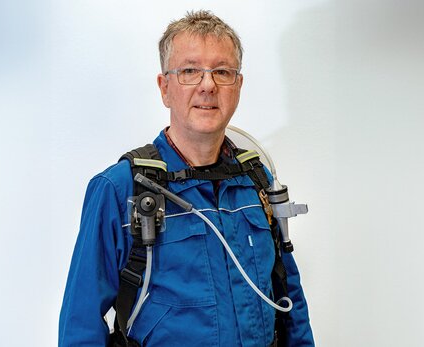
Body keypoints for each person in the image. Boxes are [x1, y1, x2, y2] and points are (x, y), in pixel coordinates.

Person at [59, 10, 314, 347]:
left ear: (238, 86)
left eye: (222, 71)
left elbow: (288, 297)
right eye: (190, 71)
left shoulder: (257, 181)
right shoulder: (122, 189)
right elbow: (80, 327)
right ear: (165, 88)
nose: (208, 85)